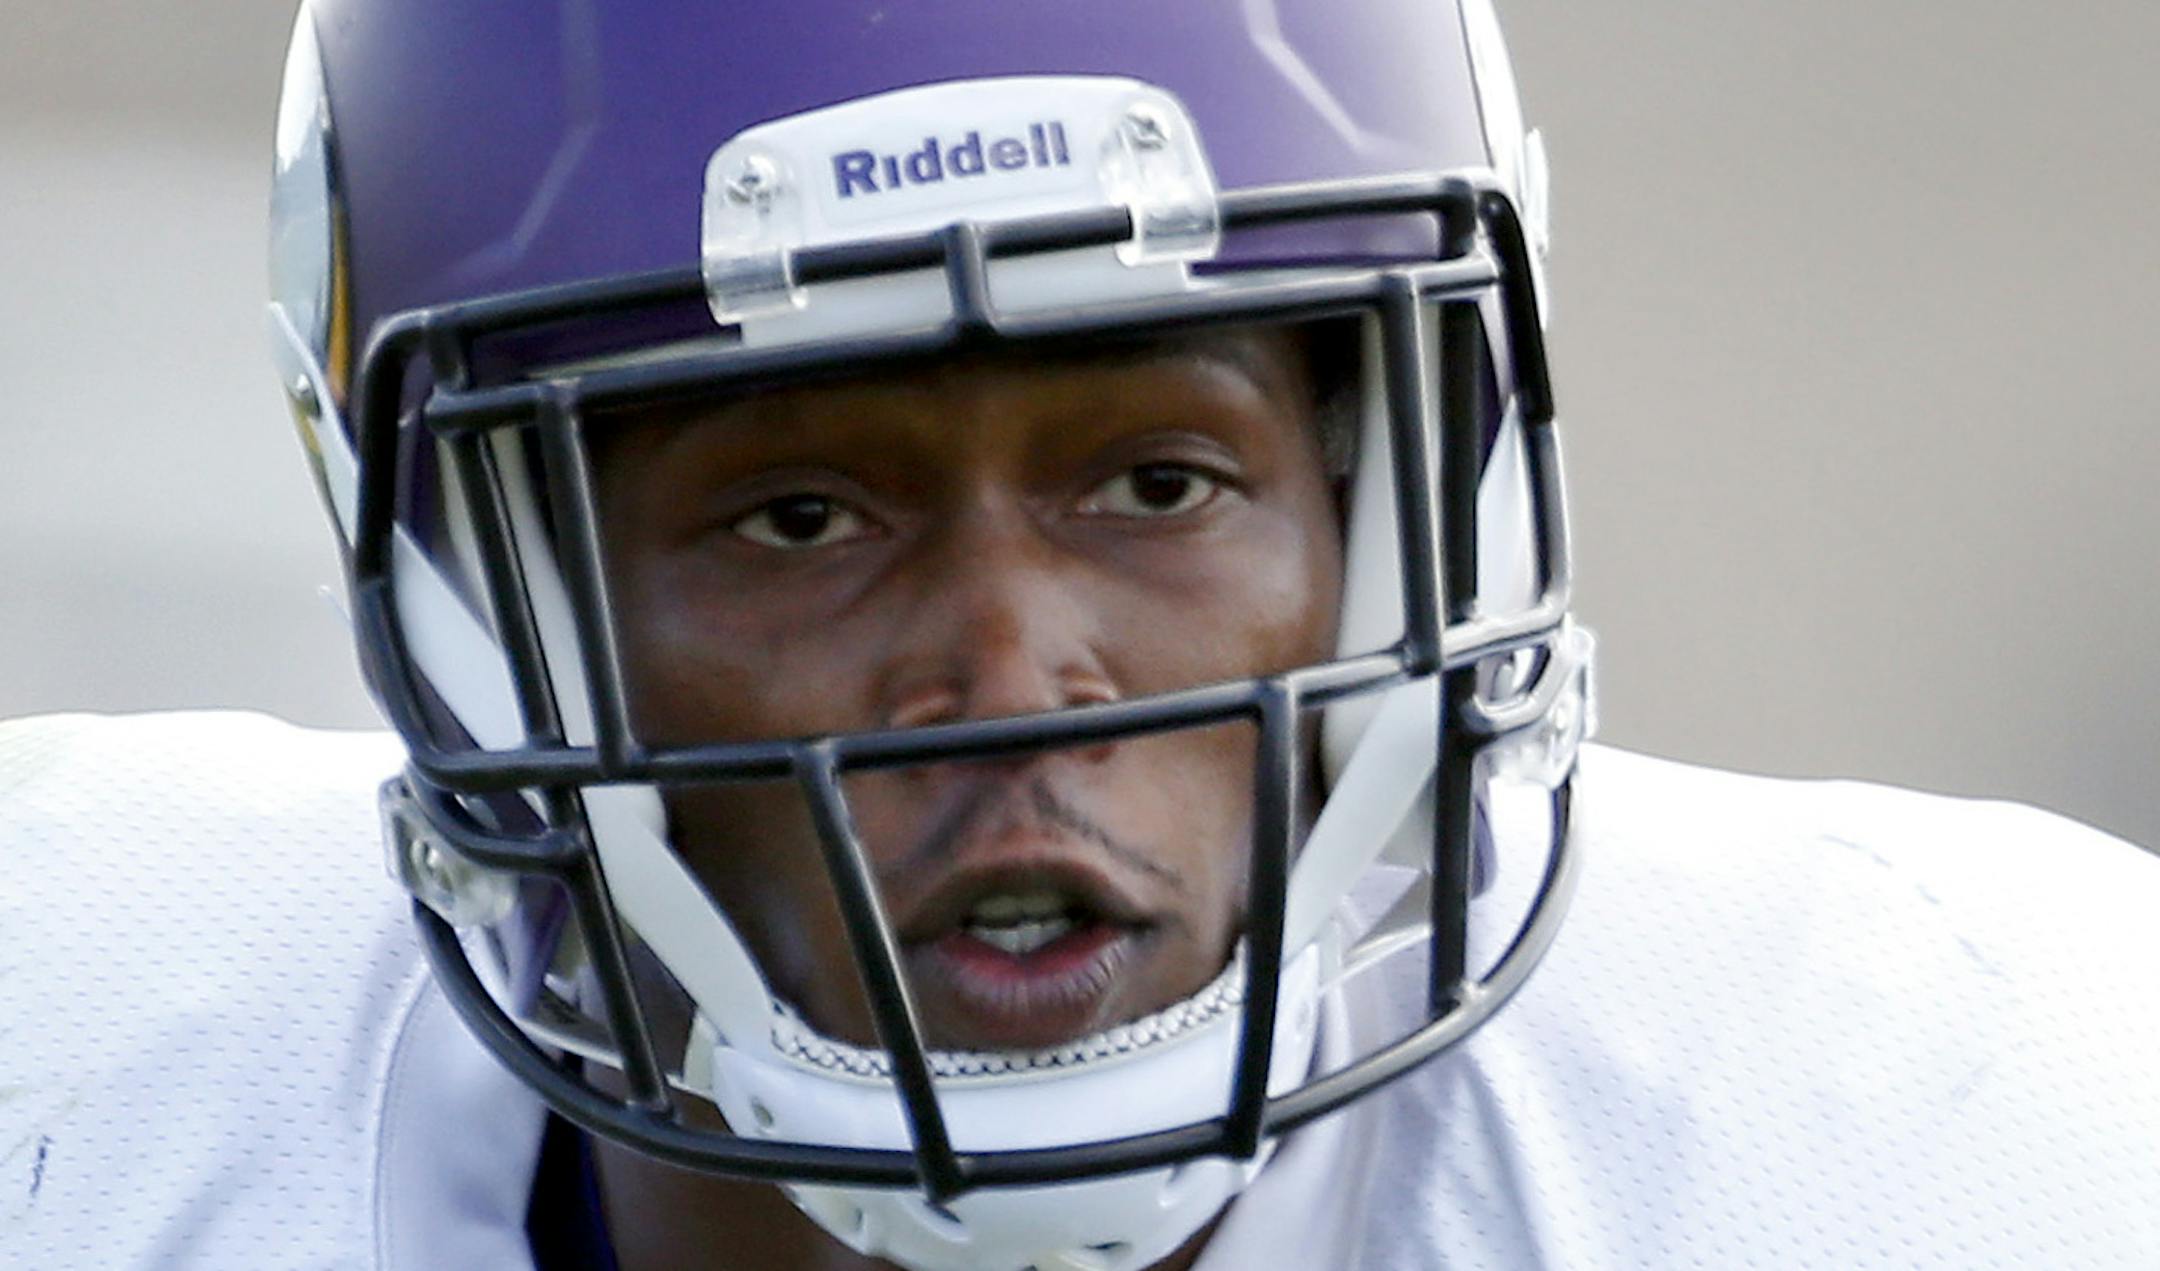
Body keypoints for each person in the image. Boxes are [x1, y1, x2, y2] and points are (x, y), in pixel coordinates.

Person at [5, 2, 2157, 1268]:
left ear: (1393, 513)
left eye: (1158, 482)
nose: (1016, 672)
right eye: (797, 513)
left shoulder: (1937, 1125)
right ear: (481, 601)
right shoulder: (94, 1109)